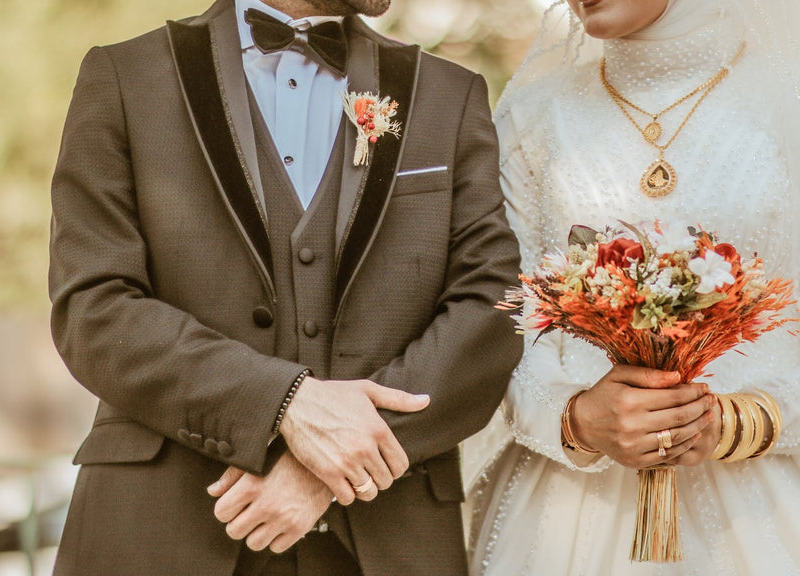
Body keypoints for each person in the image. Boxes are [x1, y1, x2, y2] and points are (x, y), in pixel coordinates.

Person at [467, 0, 800, 574]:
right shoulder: (533, 116)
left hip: (782, 505)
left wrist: (737, 422)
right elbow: (506, 334)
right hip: (568, 515)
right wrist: (578, 419)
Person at [48, 0, 522, 573]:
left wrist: (341, 458)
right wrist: (285, 403)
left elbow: (494, 307)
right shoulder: (126, 77)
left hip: (386, 540)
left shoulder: (451, 93)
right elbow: (93, 308)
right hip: (163, 532)